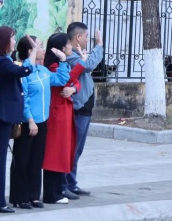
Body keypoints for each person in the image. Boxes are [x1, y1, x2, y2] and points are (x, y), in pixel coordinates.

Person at [10, 36, 70, 209]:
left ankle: (33, 195)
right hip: (28, 121)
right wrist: (30, 120)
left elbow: (60, 80)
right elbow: (24, 98)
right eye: (40, 46)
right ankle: (19, 196)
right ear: (31, 51)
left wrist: (63, 60)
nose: (43, 49)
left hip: (43, 121)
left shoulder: (42, 71)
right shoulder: (23, 71)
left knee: (36, 160)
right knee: (22, 159)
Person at [0, 26, 33, 213]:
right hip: (2, 115)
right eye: (12, 38)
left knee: (0, 159)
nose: (14, 41)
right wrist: (33, 51)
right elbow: (24, 70)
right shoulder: (2, 61)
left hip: (6, 115)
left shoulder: (3, 60)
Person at [43, 33, 84, 205]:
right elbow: (66, 79)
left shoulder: (60, 65)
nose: (71, 47)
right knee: (55, 153)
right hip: (57, 112)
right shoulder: (54, 66)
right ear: (60, 48)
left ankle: (59, 189)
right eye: (68, 44)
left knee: (63, 151)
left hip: (64, 111)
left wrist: (73, 89)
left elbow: (75, 81)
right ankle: (52, 193)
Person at [63, 22, 103, 199]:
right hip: (77, 109)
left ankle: (72, 183)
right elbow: (89, 65)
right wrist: (99, 45)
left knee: (77, 150)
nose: (88, 39)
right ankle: (64, 184)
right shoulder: (70, 55)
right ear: (78, 37)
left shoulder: (77, 54)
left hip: (85, 108)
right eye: (87, 36)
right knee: (71, 149)